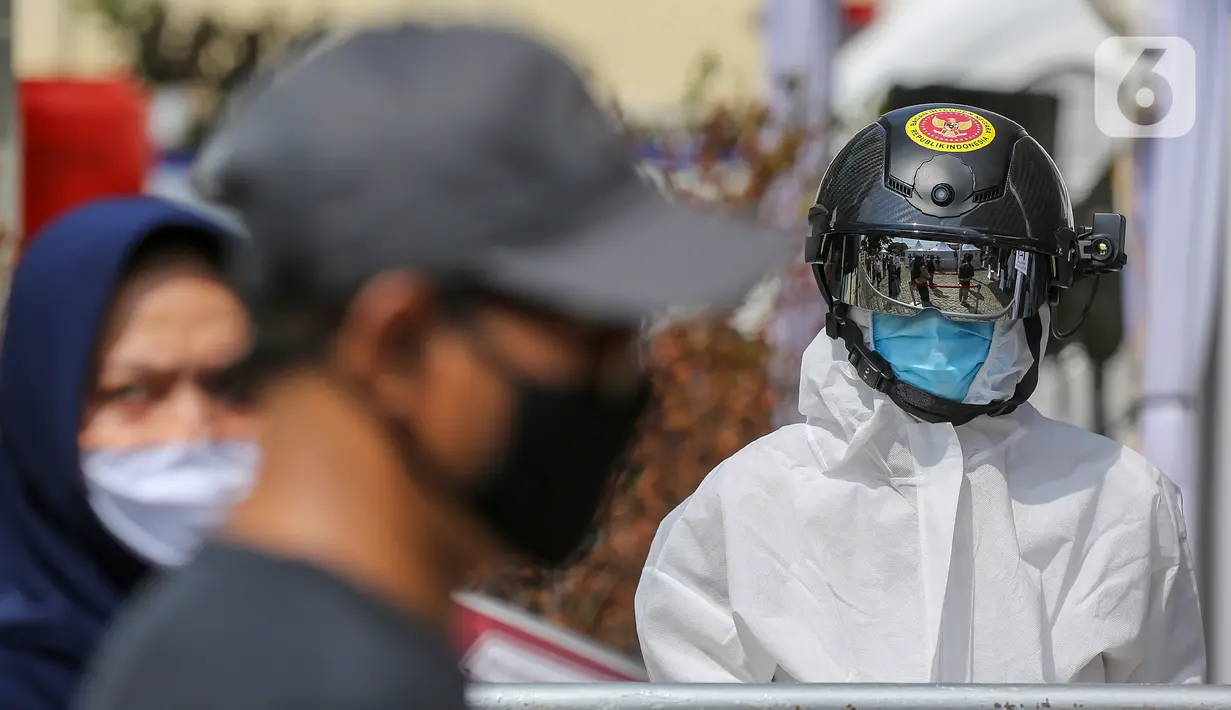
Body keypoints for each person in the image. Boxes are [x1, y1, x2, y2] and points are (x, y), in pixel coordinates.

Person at [77, 23, 785, 710]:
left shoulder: (245, 640)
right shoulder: (325, 685)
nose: (628, 387)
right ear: (397, 345)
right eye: (590, 338)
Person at [635, 104, 1203, 683]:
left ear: (1039, 298)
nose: (932, 314)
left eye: (975, 285)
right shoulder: (746, 506)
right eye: (895, 280)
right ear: (839, 288)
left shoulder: (1122, 504)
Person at [0, 197, 257, 709]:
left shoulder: (325, 632)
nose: (193, 430)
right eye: (133, 392)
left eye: (231, 385)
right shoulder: (21, 678)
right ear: (41, 412)